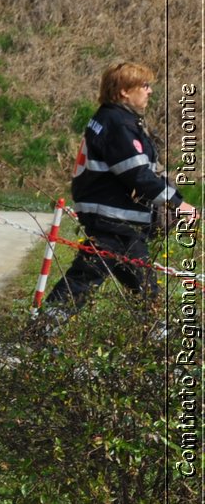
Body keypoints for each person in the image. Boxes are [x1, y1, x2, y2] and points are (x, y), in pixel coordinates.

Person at [42, 61, 194, 316]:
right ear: (124, 90)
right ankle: (41, 332)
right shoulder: (118, 124)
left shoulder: (109, 118)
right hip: (111, 220)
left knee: (144, 287)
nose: (150, 91)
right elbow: (138, 175)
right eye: (144, 85)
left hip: (117, 221)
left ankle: (156, 337)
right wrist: (179, 204)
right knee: (83, 281)